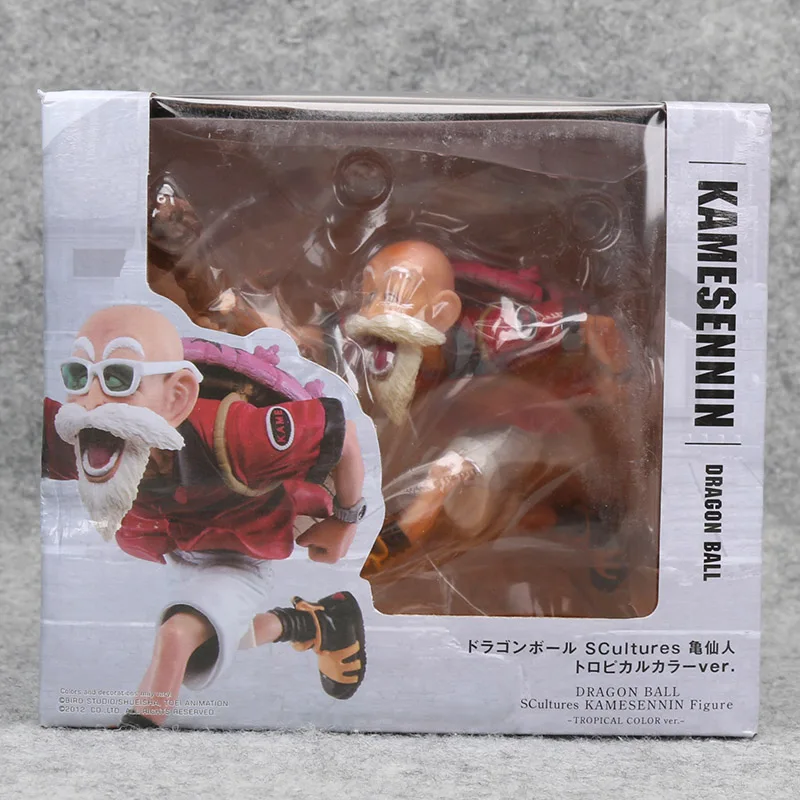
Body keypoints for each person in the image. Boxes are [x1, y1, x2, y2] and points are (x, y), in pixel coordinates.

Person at [43, 305, 369, 728]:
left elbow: (342, 433)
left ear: (177, 396)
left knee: (177, 637)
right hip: (181, 550)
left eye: (119, 379)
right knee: (209, 639)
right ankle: (315, 623)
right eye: (77, 377)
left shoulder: (235, 436)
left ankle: (138, 735)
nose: (91, 401)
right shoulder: (86, 435)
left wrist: (345, 521)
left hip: (239, 552)